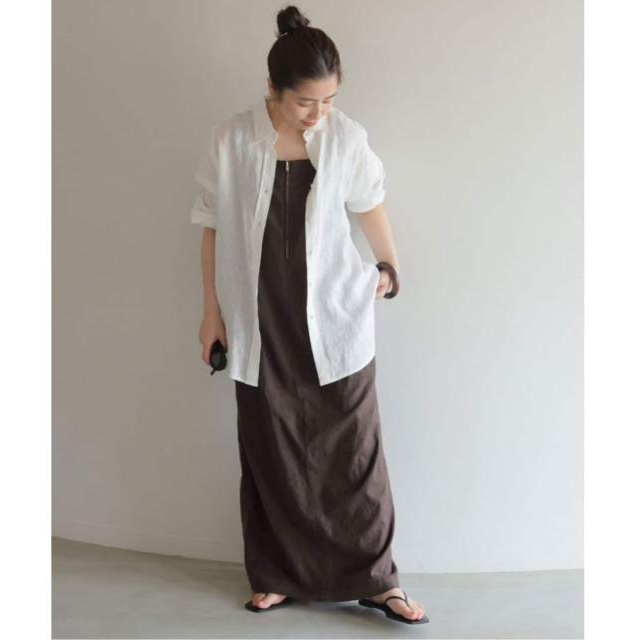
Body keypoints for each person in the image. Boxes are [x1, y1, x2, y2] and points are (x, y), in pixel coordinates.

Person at [190, 4, 427, 626]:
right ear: (272, 87)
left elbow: (369, 203)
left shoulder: (346, 137)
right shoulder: (231, 140)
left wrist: (390, 267)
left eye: (328, 100)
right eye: (305, 102)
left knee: (354, 454)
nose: (318, 113)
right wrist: (211, 313)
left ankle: (378, 580)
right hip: (259, 319)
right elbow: (211, 225)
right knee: (270, 449)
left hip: (335, 317)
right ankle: (277, 575)